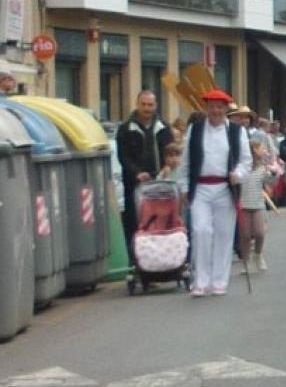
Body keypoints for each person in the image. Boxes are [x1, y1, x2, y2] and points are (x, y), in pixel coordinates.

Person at [177, 89, 249, 297]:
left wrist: (238, 174)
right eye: (211, 107)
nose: (215, 111)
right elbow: (185, 161)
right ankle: (200, 281)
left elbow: (246, 161)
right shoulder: (195, 129)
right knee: (201, 231)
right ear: (206, 108)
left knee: (224, 234)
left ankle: (219, 281)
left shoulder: (236, 131)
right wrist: (184, 187)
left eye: (219, 107)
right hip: (200, 187)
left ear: (226, 109)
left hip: (225, 188)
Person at [115, 90, 173, 254]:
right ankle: (136, 258)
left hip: (160, 183)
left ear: (156, 106)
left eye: (150, 105)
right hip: (134, 185)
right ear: (137, 104)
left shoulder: (163, 127)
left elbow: (171, 151)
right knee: (136, 223)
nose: (147, 108)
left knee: (160, 221)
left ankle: (160, 256)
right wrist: (137, 173)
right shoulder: (126, 129)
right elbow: (123, 156)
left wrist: (168, 166)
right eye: (144, 104)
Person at [237, 141, 277, 274]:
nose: (264, 151)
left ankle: (258, 255)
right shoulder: (242, 167)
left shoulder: (262, 167)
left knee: (260, 232)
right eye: (261, 148)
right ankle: (246, 261)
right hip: (243, 203)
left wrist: (273, 174)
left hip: (258, 203)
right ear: (254, 150)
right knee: (245, 235)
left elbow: (270, 182)